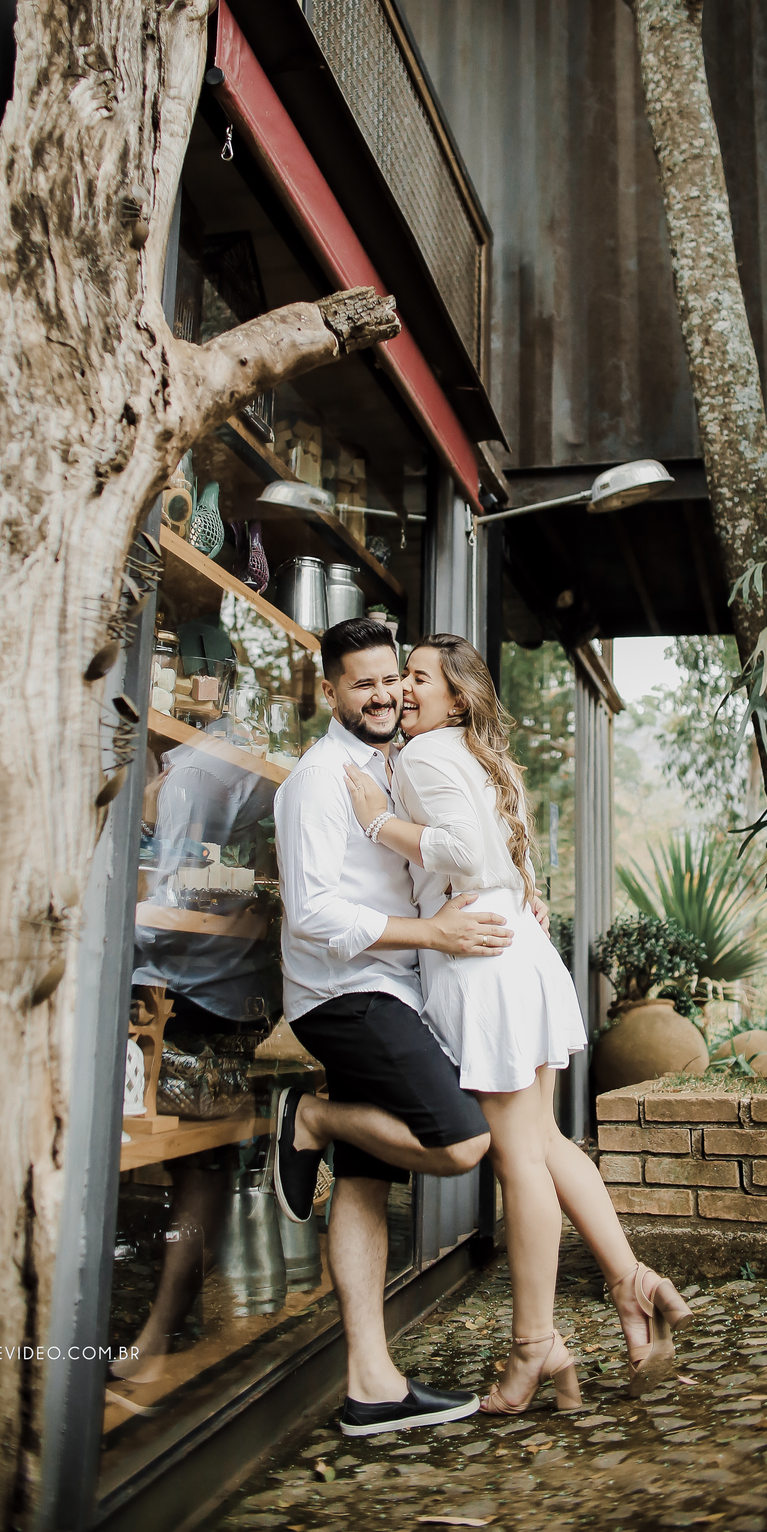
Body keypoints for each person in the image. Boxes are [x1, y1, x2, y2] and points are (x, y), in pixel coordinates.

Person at [344, 633, 694, 1414]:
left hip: (484, 964)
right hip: (521, 953)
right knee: (546, 1143)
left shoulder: (422, 755)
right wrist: (524, 890)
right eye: (404, 675)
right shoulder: (483, 756)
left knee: (519, 1159)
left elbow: (465, 850)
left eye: (419, 678)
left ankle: (534, 1346)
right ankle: (633, 1284)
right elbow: (511, 859)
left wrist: (376, 822)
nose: (403, 689)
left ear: (455, 698)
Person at [272, 616, 515, 1437]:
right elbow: (311, 914)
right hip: (345, 996)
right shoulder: (317, 780)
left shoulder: (398, 763)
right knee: (462, 1142)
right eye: (364, 684)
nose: (384, 695)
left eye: (392, 680)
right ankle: (313, 1117)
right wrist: (434, 936)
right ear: (330, 691)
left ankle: (370, 1385)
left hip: (390, 990)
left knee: (364, 1182)